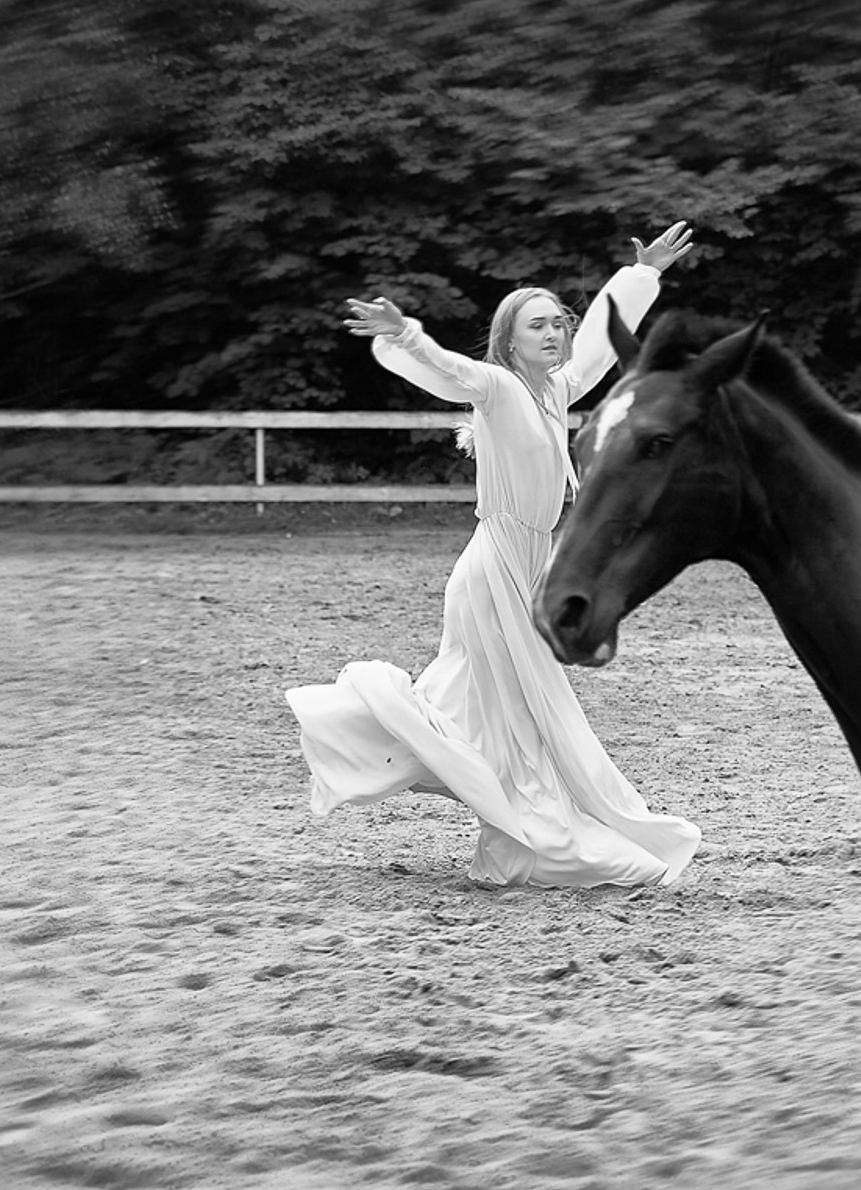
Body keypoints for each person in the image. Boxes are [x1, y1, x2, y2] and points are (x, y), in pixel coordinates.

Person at [284, 223, 701, 888]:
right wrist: (405, 334)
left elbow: (598, 343)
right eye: (537, 325)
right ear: (509, 341)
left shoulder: (554, 389)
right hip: (494, 571)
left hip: (526, 568)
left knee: (488, 710)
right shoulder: (500, 387)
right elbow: (453, 370)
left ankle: (379, 740)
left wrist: (642, 274)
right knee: (533, 715)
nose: (554, 333)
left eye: (557, 323)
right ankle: (536, 840)